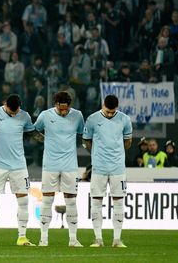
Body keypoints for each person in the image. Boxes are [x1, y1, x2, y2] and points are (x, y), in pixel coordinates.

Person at [0, 94, 36, 246]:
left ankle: (22, 237)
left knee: (23, 201)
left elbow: (31, 133)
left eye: (15, 111)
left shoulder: (25, 116)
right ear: (4, 104)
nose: (13, 114)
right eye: (11, 111)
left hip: (19, 165)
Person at [33, 91, 85, 247]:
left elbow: (82, 134)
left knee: (71, 201)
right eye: (61, 108)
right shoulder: (45, 115)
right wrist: (45, 140)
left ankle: (73, 239)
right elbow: (35, 131)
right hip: (50, 164)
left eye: (66, 109)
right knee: (47, 200)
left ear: (70, 105)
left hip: (70, 165)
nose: (64, 112)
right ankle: (43, 239)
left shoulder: (77, 115)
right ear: (55, 104)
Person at [82, 94, 132, 248]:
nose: (110, 114)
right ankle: (98, 239)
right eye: (107, 111)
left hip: (118, 168)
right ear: (103, 105)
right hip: (98, 168)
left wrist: (117, 154)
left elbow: (128, 141)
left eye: (112, 112)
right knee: (96, 201)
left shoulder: (124, 119)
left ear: (116, 108)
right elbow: (86, 141)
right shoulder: (92, 119)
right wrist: (97, 154)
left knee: (118, 201)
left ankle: (117, 239)